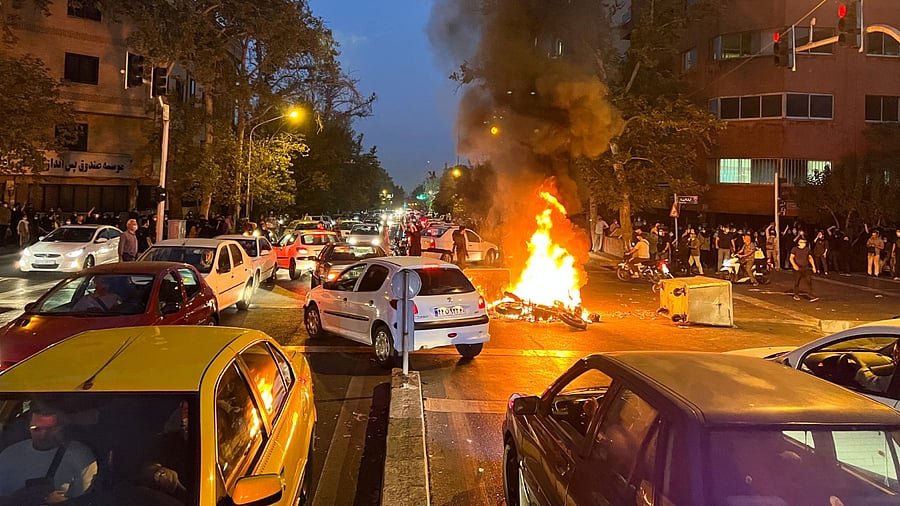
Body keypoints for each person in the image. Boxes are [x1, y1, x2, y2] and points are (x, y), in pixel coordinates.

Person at [0, 404, 98, 504]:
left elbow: (86, 500)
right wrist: (18, 499)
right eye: (36, 429)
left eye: (51, 429)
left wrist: (62, 503)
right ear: (28, 427)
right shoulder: (9, 454)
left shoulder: (80, 456)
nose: (43, 435)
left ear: (63, 427)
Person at [790, 237, 818, 302]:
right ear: (799, 243)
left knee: (809, 281)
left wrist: (813, 266)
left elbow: (810, 258)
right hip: (797, 267)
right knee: (797, 281)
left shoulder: (807, 249)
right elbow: (791, 258)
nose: (803, 244)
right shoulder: (795, 249)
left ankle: (811, 295)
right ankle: (796, 294)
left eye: (804, 243)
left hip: (806, 267)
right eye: (802, 243)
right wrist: (794, 265)